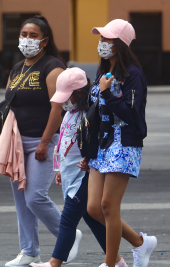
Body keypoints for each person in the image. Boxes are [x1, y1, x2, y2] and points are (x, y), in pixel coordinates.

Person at [0, 15, 69, 267]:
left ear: (44, 41)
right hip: (17, 143)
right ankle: (29, 251)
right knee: (21, 198)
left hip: (42, 141)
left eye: (33, 36)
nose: (27, 40)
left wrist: (46, 142)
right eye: (24, 34)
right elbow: (11, 102)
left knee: (35, 196)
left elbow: (58, 109)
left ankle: (67, 238)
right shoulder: (17, 68)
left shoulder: (53, 66)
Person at [78, 19, 156, 267]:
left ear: (120, 44)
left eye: (108, 39)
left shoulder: (134, 75)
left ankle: (111, 263)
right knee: (93, 208)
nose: (102, 44)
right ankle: (141, 243)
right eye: (101, 39)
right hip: (101, 144)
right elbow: (94, 113)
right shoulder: (102, 71)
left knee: (108, 206)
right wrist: (87, 150)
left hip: (124, 143)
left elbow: (133, 115)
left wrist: (107, 93)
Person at [31, 68, 127, 267]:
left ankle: (54, 263)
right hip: (70, 174)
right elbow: (64, 143)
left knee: (67, 220)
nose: (63, 102)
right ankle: (117, 260)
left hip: (85, 176)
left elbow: (96, 143)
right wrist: (59, 169)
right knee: (92, 219)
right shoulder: (69, 113)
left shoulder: (89, 115)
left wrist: (88, 160)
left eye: (67, 97)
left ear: (80, 94)